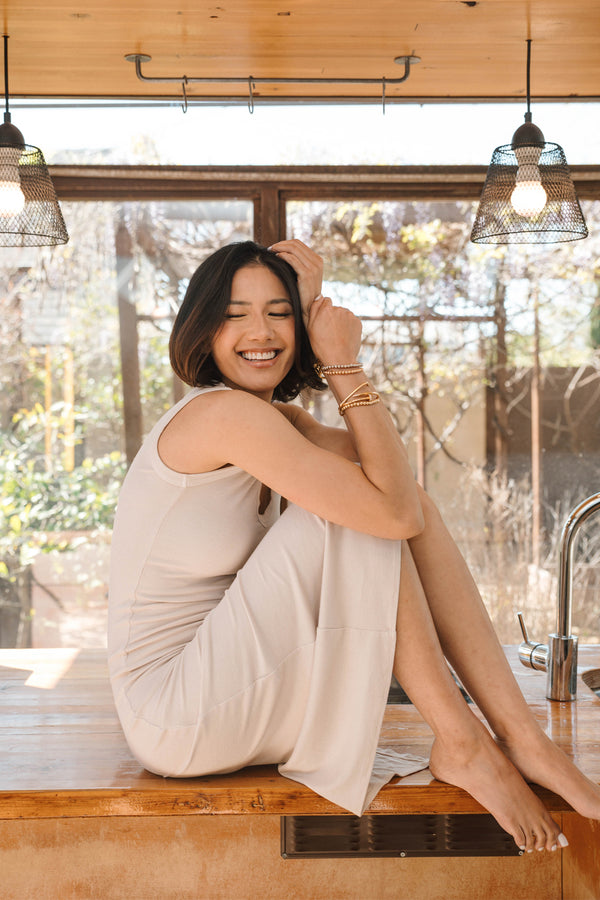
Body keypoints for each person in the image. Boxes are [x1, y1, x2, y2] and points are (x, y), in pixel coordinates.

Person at [108, 238, 600, 852]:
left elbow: (395, 484)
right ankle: (466, 742)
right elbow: (384, 512)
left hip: (232, 690)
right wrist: (342, 364)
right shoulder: (219, 416)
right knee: (352, 514)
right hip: (176, 712)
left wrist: (326, 334)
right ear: (202, 330)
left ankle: (520, 738)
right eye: (235, 313)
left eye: (279, 313)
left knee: (387, 502)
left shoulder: (274, 422)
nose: (259, 331)